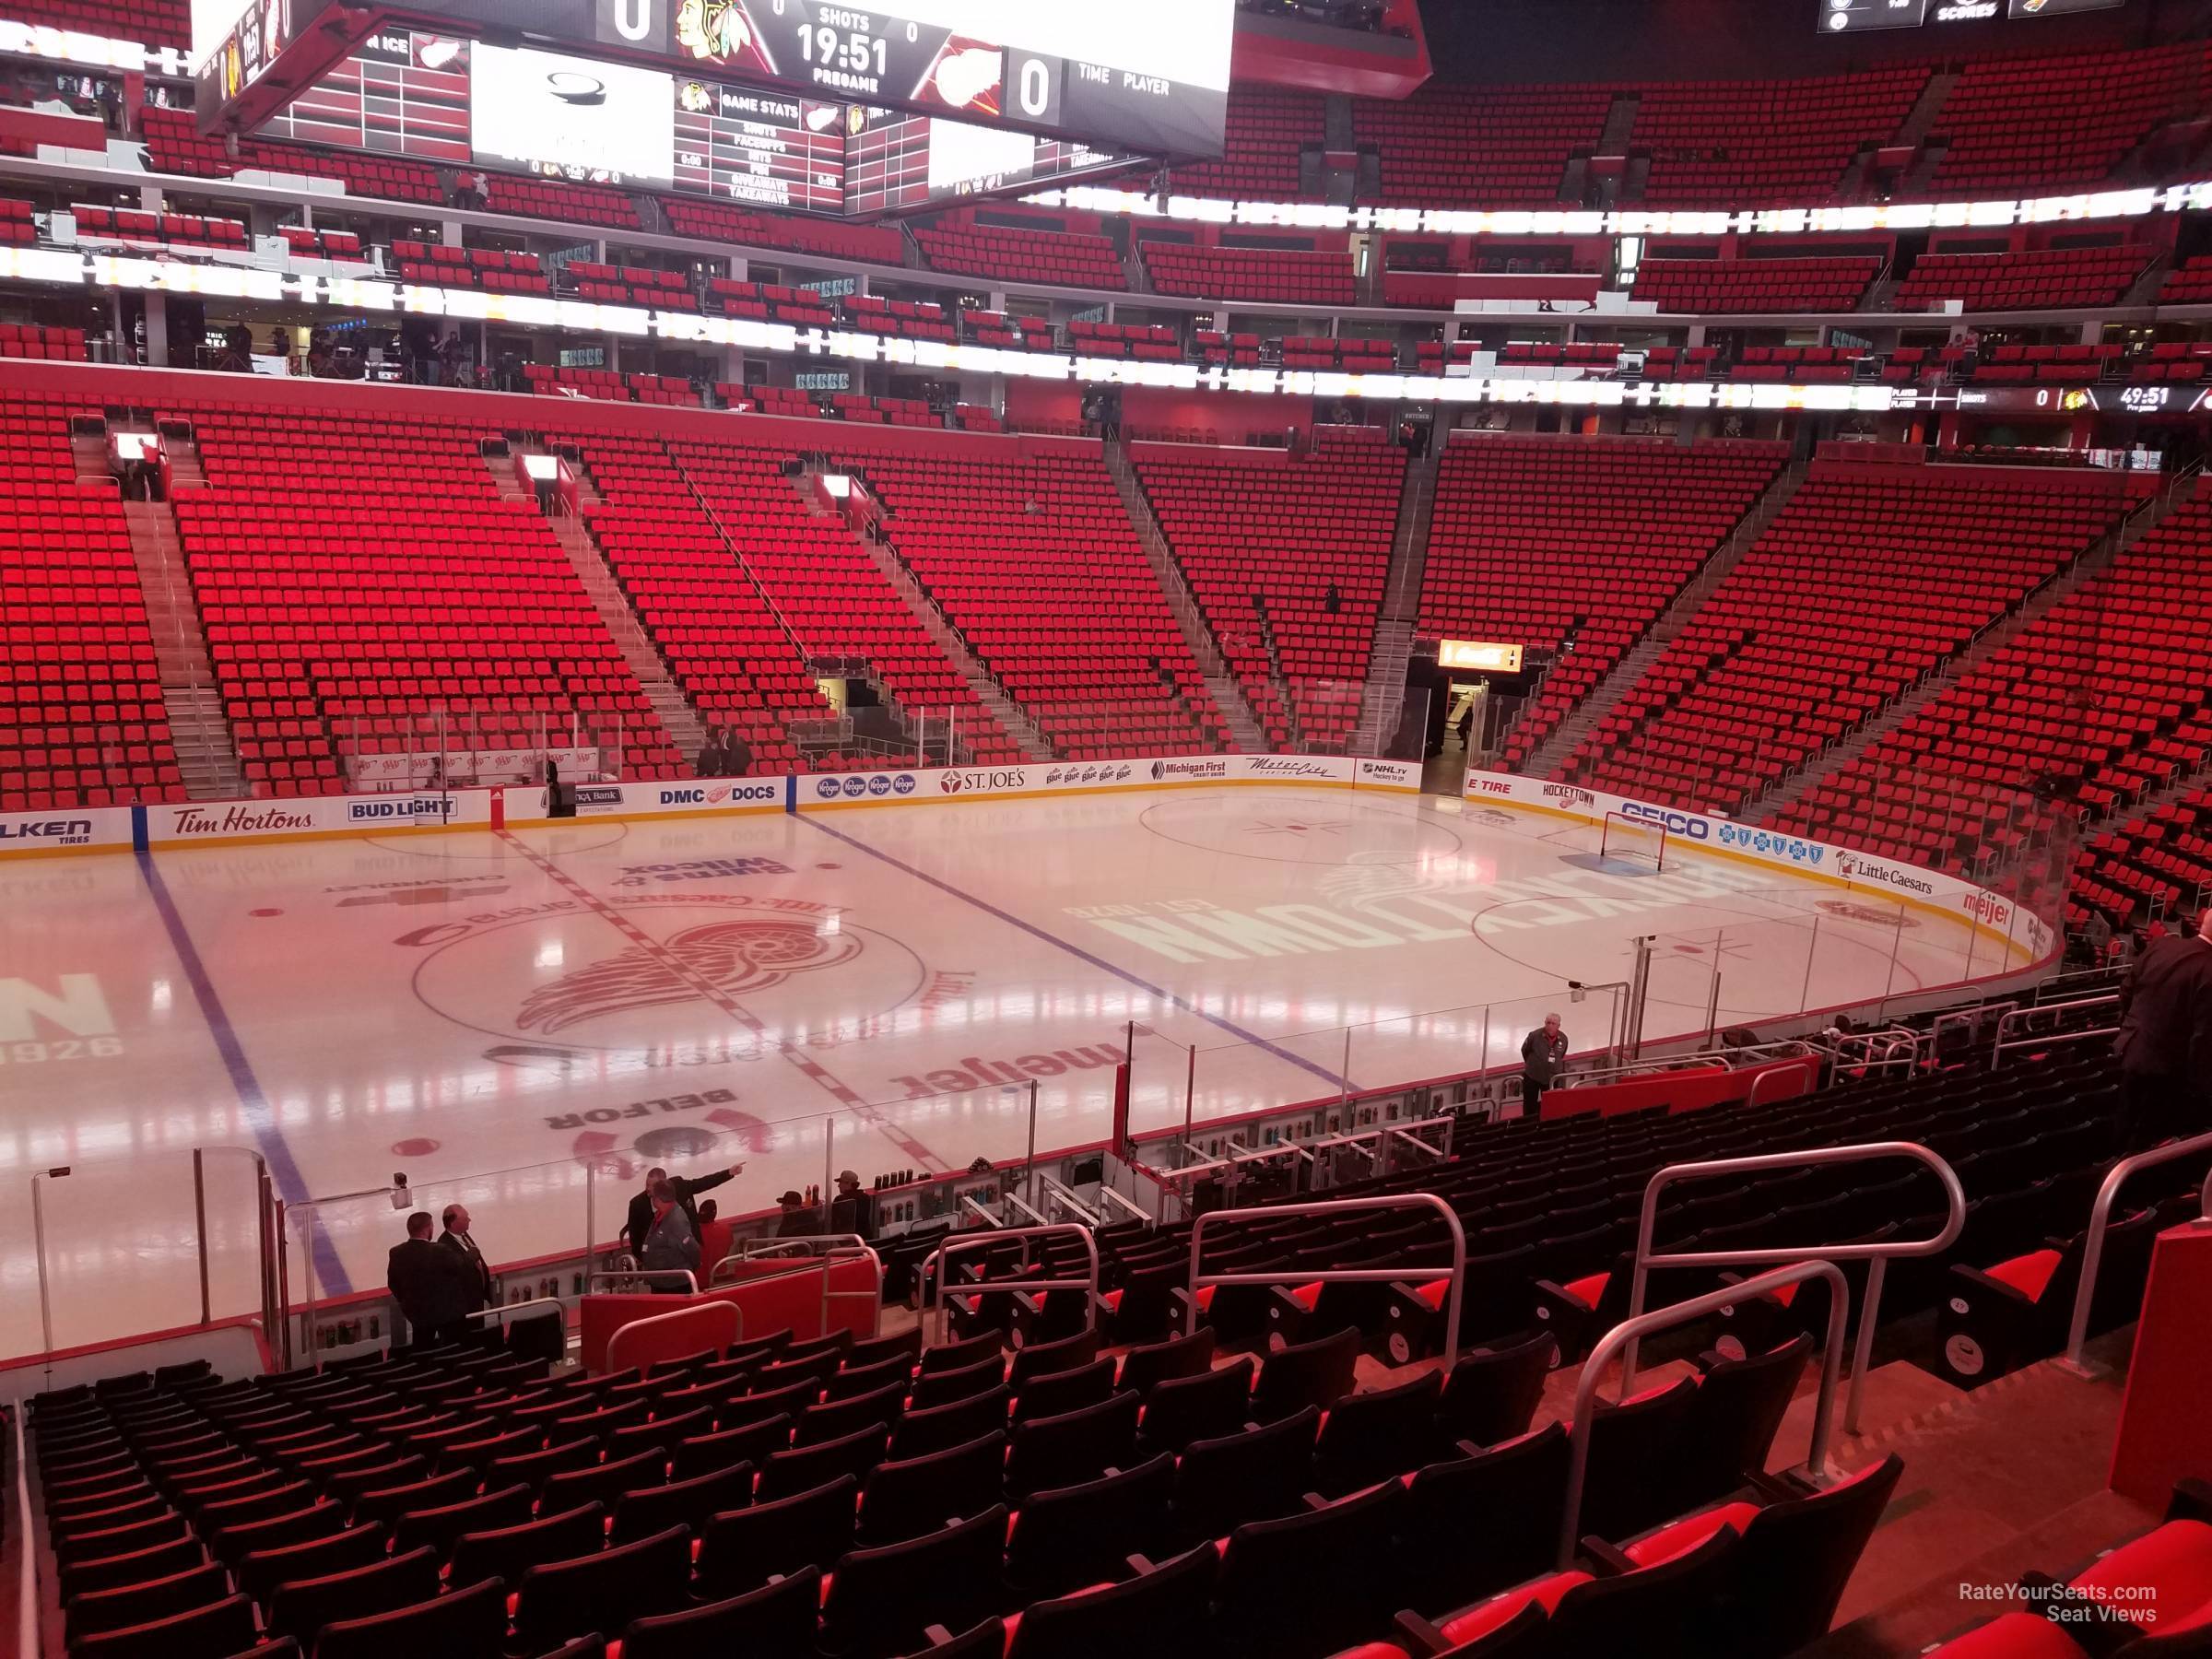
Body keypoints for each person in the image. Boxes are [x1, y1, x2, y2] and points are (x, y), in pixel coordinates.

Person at [2114, 908, 2212, 1152]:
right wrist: (2199, 1087)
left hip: (2132, 1048)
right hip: (2169, 1069)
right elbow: (2202, 1037)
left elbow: (2127, 991)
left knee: (2124, 1121)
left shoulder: (2162, 945)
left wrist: (2128, 1030)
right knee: (2147, 1138)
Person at [623, 1161, 744, 1258]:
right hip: (658, 1261)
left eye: (652, 1186)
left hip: (685, 1255)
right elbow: (635, 1240)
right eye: (647, 1184)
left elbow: (702, 1183)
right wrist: (649, 1260)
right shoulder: (637, 1204)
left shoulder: (680, 1186)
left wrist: (728, 1173)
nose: (648, 1189)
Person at [386, 1210, 469, 1345]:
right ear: (428, 1228)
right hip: (447, 1314)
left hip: (418, 1315)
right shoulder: (440, 1251)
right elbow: (460, 1267)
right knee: (453, 1349)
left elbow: (393, 1284)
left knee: (422, 1349)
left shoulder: (397, 1253)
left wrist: (408, 1302)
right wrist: (470, 1256)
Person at [638, 1174, 702, 1283]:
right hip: (660, 1280)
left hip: (674, 1283)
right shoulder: (661, 1214)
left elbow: (692, 1247)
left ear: (658, 1199)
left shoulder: (676, 1221)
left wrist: (692, 1267)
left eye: (653, 1197)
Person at [439, 1203, 494, 1326]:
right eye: (465, 1218)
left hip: (476, 1301)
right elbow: (458, 1269)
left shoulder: (463, 1235)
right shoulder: (444, 1245)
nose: (469, 1220)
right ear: (453, 1223)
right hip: (465, 1307)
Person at [1520, 1013, 1568, 1114]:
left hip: (1552, 1078)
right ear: (1545, 1023)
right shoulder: (1534, 1036)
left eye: (1553, 1023)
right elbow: (1525, 1050)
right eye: (1548, 1023)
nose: (1550, 1026)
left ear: (1558, 1025)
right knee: (1529, 1105)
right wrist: (1532, 1065)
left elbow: (1561, 1055)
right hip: (1532, 1076)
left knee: (1550, 1106)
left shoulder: (1563, 1039)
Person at [828, 1169, 876, 1239]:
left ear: (848, 1183)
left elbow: (834, 1224)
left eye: (841, 1183)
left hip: (848, 1242)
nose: (839, 1186)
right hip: (865, 1241)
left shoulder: (840, 1200)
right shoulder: (865, 1197)